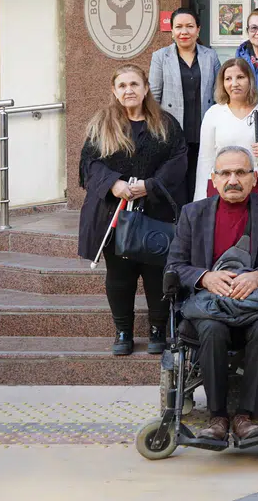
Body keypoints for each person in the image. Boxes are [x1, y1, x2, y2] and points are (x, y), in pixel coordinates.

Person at [166, 145, 258, 443]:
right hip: (209, 308)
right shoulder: (192, 214)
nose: (233, 180)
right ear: (213, 178)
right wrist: (205, 277)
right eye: (225, 173)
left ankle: (245, 416)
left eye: (240, 172)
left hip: (256, 306)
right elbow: (174, 266)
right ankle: (218, 417)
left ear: (253, 177)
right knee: (212, 330)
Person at [77, 63, 187, 356]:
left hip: (156, 211)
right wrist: (113, 183)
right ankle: (123, 330)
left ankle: (157, 329)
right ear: (114, 91)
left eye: (134, 84)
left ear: (146, 88)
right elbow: (89, 163)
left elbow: (178, 160)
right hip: (114, 212)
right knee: (120, 274)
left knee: (156, 272)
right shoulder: (102, 123)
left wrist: (150, 185)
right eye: (122, 86)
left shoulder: (165, 123)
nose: (129, 90)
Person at [149, 7, 221, 202]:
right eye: (178, 27)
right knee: (176, 185)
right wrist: (156, 131)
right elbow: (153, 97)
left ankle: (198, 219)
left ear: (198, 29)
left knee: (200, 183)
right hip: (173, 133)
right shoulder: (160, 57)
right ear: (172, 31)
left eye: (189, 26)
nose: (184, 31)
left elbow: (219, 95)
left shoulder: (210, 56)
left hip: (203, 132)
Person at [194, 58, 258, 201]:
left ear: (250, 80)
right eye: (228, 79)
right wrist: (200, 199)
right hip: (223, 186)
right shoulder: (213, 113)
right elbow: (206, 159)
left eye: (240, 77)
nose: (234, 84)